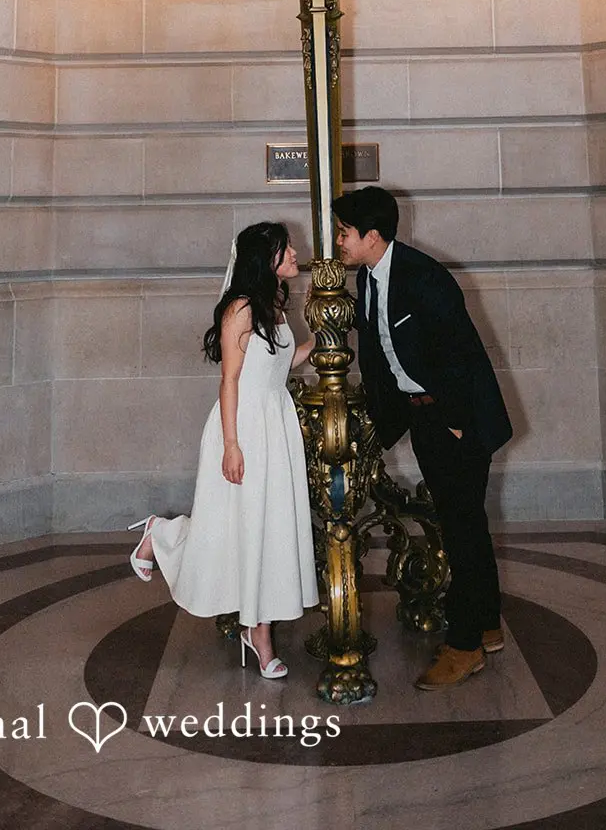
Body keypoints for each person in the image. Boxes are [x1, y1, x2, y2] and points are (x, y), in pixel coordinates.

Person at [332, 185, 512, 691]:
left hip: (459, 418)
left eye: (345, 233)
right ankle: (487, 622)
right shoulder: (368, 277)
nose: (338, 241)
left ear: (372, 236)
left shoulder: (425, 276)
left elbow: (458, 353)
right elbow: (380, 355)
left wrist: (453, 423)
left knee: (460, 528)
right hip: (424, 417)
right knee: (465, 521)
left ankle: (465, 646)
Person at [127, 222, 319, 678]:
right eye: (285, 248)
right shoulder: (240, 309)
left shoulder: (274, 304)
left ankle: (258, 629)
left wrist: (316, 339)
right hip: (244, 427)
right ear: (264, 259)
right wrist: (232, 445)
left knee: (268, 528)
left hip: (275, 423)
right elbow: (230, 380)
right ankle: (163, 535)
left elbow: (279, 365)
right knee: (229, 530)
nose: (295, 253)